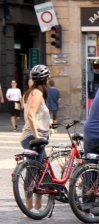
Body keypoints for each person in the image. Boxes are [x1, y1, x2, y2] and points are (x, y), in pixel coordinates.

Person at [20, 65, 51, 212]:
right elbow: (31, 115)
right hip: (34, 137)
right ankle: (29, 206)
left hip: (32, 136)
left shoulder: (30, 93)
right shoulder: (37, 93)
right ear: (45, 79)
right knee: (34, 170)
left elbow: (34, 113)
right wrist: (38, 136)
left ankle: (37, 205)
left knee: (41, 169)